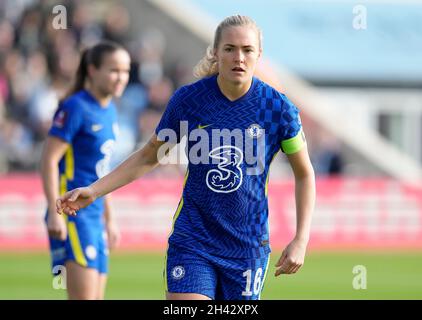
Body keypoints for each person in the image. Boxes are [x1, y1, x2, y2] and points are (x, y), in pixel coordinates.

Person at [57, 15, 315, 300]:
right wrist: (94, 191)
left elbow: (304, 174)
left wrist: (300, 239)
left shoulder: (278, 110)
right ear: (215, 52)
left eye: (247, 50)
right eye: (229, 48)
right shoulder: (189, 101)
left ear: (259, 55)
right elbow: (148, 157)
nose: (238, 57)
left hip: (248, 247)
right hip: (193, 240)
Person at [40, 41, 131, 299]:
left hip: (95, 215)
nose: (121, 78)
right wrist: (54, 213)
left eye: (125, 71)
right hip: (73, 213)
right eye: (114, 70)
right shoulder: (75, 107)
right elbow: (48, 159)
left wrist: (110, 219)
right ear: (92, 70)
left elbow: (102, 172)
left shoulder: (110, 110)